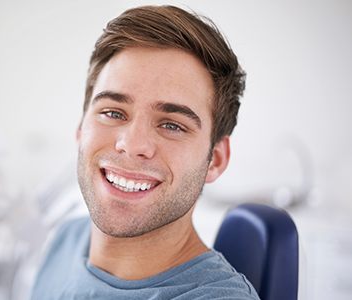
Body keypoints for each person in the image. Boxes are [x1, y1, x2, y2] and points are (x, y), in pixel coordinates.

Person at [31, 5, 259, 300]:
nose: (133, 144)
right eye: (113, 113)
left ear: (215, 159)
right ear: (80, 127)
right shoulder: (67, 239)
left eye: (172, 125)